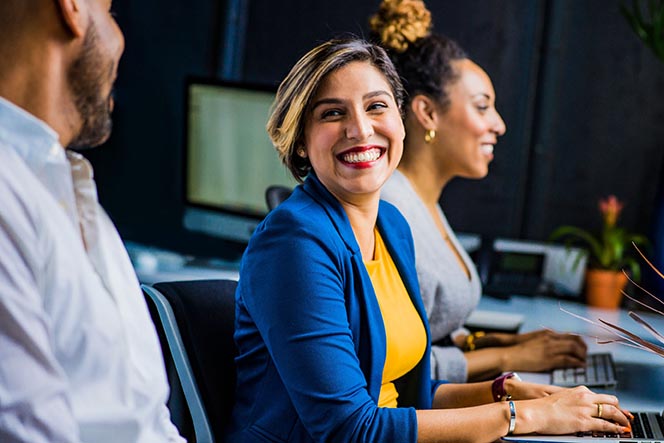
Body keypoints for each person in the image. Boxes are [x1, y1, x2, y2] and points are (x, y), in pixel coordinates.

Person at [228, 37, 630, 443]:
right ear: (300, 140)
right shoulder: (294, 243)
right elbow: (349, 429)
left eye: (376, 106)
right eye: (332, 113)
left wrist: (506, 392)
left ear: (401, 121)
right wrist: (519, 416)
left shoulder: (391, 224)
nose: (361, 129)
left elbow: (408, 398)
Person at [371, 0, 588, 382]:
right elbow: (395, 368)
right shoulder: (390, 211)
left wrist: (499, 343)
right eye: (482, 107)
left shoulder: (423, 202)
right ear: (427, 113)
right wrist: (508, 359)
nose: (499, 125)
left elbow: (432, 331)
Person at [0, 1, 184, 442]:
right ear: (73, 8)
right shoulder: (10, 193)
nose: (121, 41)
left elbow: (149, 423)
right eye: (111, 11)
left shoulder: (76, 200)